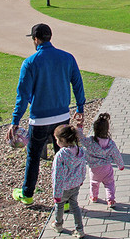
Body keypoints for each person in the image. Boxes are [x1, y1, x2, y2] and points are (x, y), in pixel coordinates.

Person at [9, 23, 86, 205]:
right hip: (62, 117)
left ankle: (27, 194)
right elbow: (77, 83)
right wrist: (80, 108)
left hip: (39, 119)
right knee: (63, 156)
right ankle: (65, 199)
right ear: (50, 37)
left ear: (36, 39)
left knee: (33, 157)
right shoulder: (67, 58)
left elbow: (23, 95)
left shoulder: (30, 63)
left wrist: (15, 121)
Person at [82, 113, 125, 209]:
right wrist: (120, 165)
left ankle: (94, 197)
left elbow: (81, 139)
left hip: (94, 169)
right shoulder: (110, 143)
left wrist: (80, 128)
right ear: (107, 130)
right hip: (106, 168)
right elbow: (116, 155)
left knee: (94, 183)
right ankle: (111, 199)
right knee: (109, 184)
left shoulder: (90, 141)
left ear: (95, 129)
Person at [51, 124, 87, 237]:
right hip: (75, 185)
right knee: (74, 206)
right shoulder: (80, 151)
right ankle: (79, 229)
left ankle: (58, 224)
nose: (56, 142)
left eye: (57, 139)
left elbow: (58, 175)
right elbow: (83, 167)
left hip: (64, 187)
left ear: (62, 140)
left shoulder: (61, 155)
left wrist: (56, 193)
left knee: (59, 205)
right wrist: (81, 179)